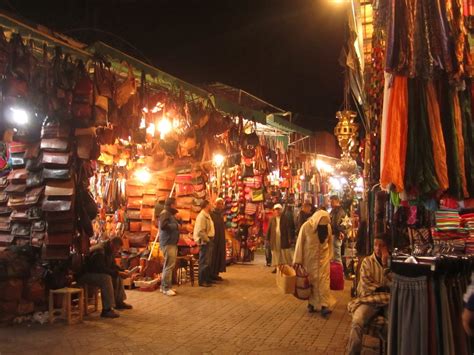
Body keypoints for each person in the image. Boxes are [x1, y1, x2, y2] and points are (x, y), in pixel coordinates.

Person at [347, 234, 391, 355]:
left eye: (381, 246)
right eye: (376, 245)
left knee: (393, 325)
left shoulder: (392, 263)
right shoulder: (367, 262)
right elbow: (367, 284)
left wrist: (386, 265)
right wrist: (383, 288)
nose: (377, 248)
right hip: (369, 300)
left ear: (386, 247)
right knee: (357, 321)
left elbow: (393, 284)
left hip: (387, 301)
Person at [294, 209, 335, 317]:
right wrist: (297, 261)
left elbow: (330, 242)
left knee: (324, 283)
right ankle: (312, 303)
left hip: (323, 260)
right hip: (309, 260)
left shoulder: (328, 227)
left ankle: (325, 305)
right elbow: (299, 244)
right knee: (311, 282)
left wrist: (330, 256)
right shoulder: (306, 227)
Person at [79, 237, 132, 318]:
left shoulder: (109, 250)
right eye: (116, 248)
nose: (117, 251)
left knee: (117, 275)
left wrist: (123, 270)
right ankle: (107, 310)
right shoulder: (99, 251)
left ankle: (118, 302)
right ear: (111, 244)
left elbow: (112, 265)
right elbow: (100, 269)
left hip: (95, 273)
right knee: (106, 278)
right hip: (86, 274)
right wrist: (118, 272)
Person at [159, 197, 180, 296]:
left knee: (167, 265)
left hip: (170, 242)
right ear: (172, 205)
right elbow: (163, 226)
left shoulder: (169, 214)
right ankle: (166, 288)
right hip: (168, 242)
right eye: (175, 204)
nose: (176, 206)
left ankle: (164, 286)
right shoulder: (165, 213)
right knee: (169, 266)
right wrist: (175, 226)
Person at [266, 204, 294, 273]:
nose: (277, 211)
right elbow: (269, 229)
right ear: (274, 211)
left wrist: (290, 238)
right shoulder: (272, 219)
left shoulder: (285, 219)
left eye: (279, 210)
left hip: (283, 238)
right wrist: (267, 238)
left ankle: (285, 268)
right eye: (276, 210)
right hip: (274, 239)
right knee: (275, 253)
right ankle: (277, 267)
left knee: (284, 253)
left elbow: (288, 229)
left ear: (281, 210)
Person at [193, 200, 215, 287]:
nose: (211, 205)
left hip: (208, 240)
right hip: (205, 241)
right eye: (210, 204)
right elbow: (200, 231)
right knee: (204, 261)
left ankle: (207, 279)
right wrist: (207, 240)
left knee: (207, 261)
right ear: (206, 205)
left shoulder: (207, 215)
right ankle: (202, 281)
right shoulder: (202, 217)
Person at [210, 198, 226, 281]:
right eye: (219, 204)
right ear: (216, 204)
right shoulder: (212, 214)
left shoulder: (220, 215)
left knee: (219, 255)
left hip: (220, 238)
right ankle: (211, 274)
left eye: (221, 204)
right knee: (213, 256)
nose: (220, 205)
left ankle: (216, 273)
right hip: (214, 238)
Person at [330, 195, 347, 266]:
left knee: (336, 257)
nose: (330, 203)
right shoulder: (338, 210)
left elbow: (335, 224)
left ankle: (339, 273)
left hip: (336, 235)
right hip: (337, 234)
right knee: (336, 256)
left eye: (332, 201)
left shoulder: (337, 211)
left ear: (337, 201)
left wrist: (338, 233)